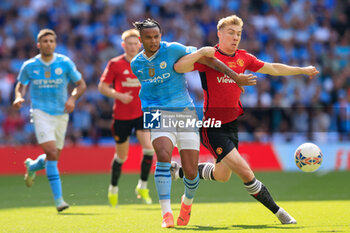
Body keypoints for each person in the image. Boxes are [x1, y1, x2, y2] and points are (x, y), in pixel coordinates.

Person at [172, 15, 319, 224]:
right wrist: (199, 53)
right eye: (231, 33)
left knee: (222, 175)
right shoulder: (209, 58)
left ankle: (178, 170)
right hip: (212, 127)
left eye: (238, 34)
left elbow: (273, 68)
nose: (235, 37)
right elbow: (179, 67)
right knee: (246, 172)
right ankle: (279, 213)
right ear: (219, 34)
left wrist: (301, 70)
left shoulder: (243, 57)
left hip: (232, 124)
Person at [130, 18, 256, 228]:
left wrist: (234, 76)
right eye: (148, 38)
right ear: (141, 39)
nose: (154, 41)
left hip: (185, 111)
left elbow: (208, 59)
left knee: (190, 170)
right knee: (162, 154)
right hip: (154, 112)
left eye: (156, 36)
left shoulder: (174, 49)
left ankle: (186, 203)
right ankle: (166, 214)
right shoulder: (137, 64)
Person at [12, 29, 87, 212]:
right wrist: (18, 97)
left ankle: (32, 165)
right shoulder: (30, 65)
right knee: (52, 153)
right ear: (39, 45)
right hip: (40, 112)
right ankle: (59, 201)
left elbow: (81, 84)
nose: (48, 44)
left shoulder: (65, 62)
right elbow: (21, 85)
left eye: (51, 41)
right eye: (45, 41)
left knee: (53, 157)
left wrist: (72, 99)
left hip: (61, 114)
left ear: (55, 43)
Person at [98, 29, 155, 207]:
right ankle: (113, 187)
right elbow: (102, 87)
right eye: (128, 44)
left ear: (140, 44)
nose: (132, 47)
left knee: (149, 149)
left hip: (143, 113)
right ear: (123, 46)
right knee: (122, 156)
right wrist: (119, 96)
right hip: (122, 116)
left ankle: (143, 186)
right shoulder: (115, 64)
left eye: (135, 43)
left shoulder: (147, 63)